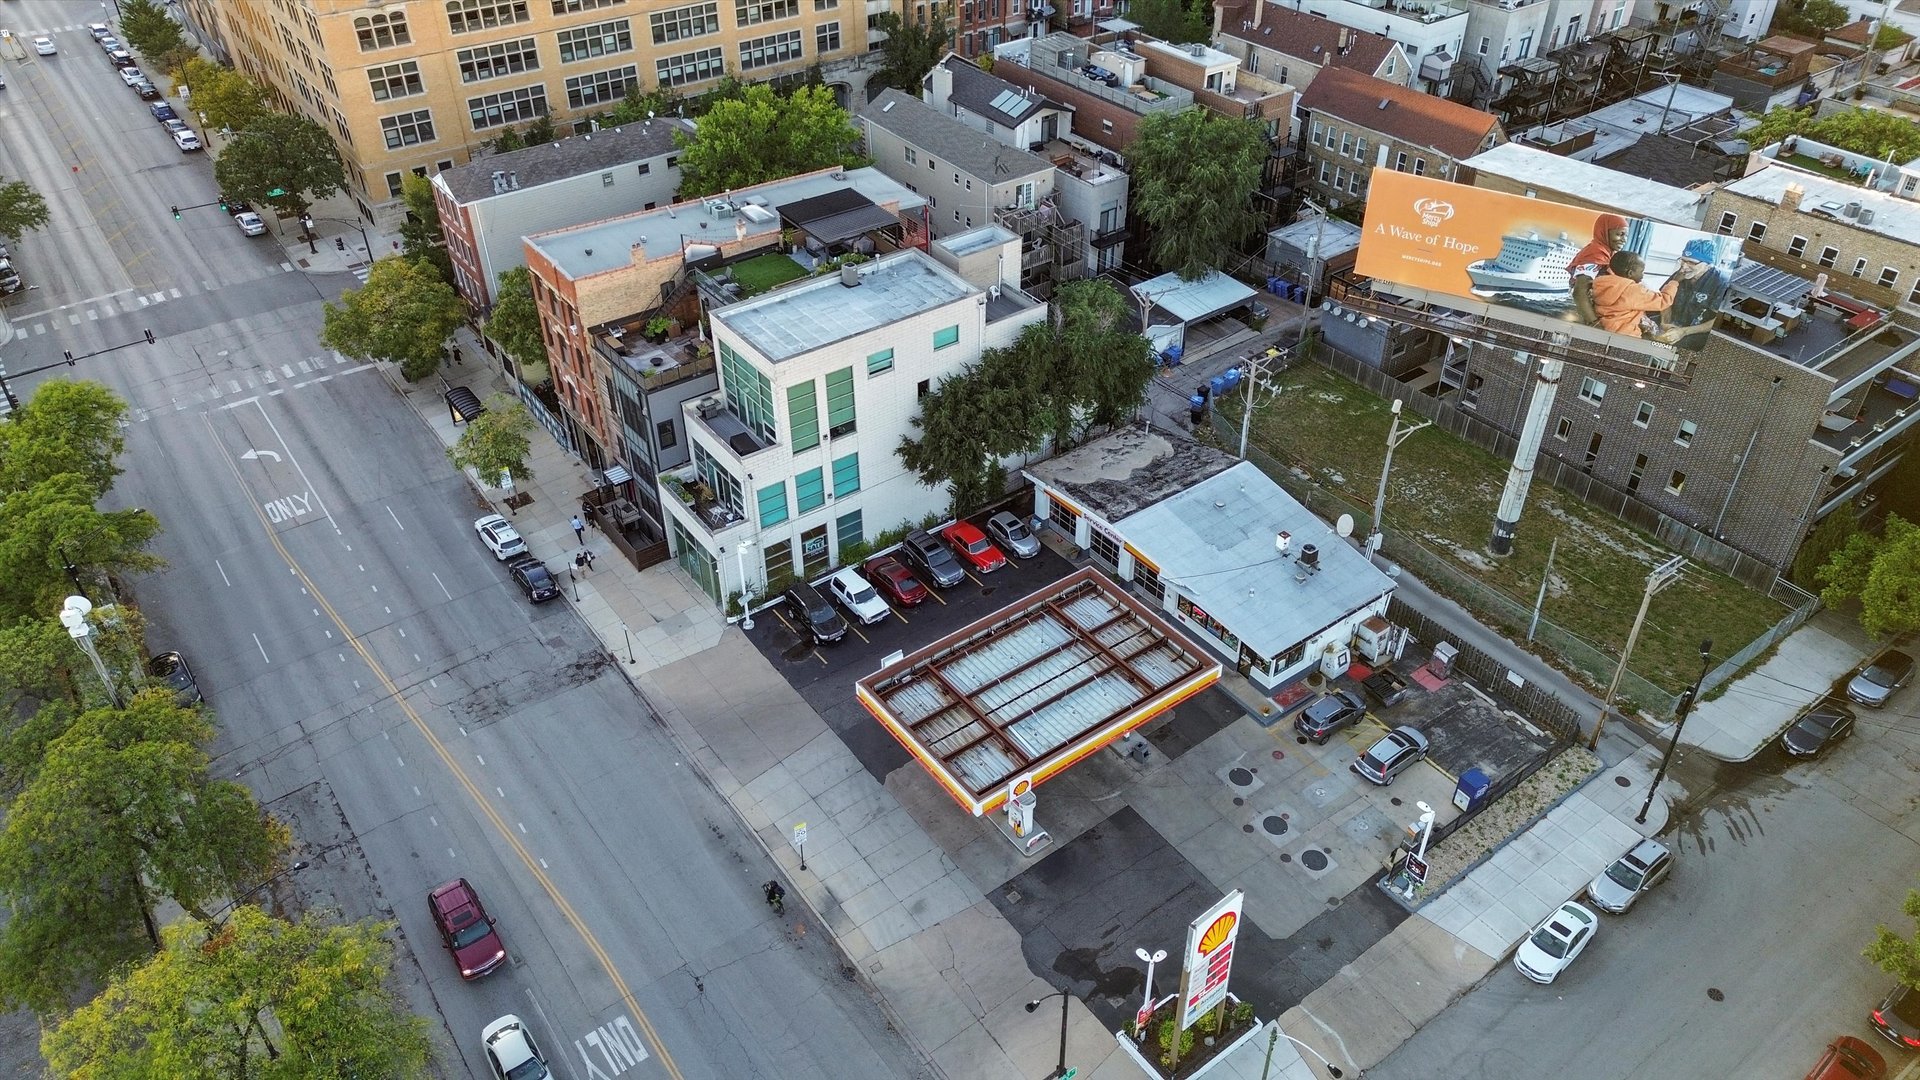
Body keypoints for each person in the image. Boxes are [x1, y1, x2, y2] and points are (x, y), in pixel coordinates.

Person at [1652, 238, 1729, 349]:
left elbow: (1716, 320)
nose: (1684, 267)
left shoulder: (1720, 283)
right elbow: (1665, 298)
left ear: (1708, 265)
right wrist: (1665, 323)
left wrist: (1683, 332)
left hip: (1695, 332)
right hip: (1672, 323)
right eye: (1683, 260)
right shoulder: (1679, 274)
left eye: (1692, 262)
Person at [1589, 251, 1680, 337]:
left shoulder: (1599, 283)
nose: (1643, 275)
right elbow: (1663, 301)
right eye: (1641, 271)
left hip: (1603, 331)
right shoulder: (1633, 290)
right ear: (1630, 273)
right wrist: (1675, 281)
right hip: (1626, 336)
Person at [1569, 214, 1629, 327]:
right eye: (1620, 234)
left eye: (1626, 236)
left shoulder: (1608, 254)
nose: (1624, 240)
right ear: (1605, 231)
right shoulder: (1594, 254)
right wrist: (1594, 323)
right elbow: (1579, 293)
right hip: (1586, 316)